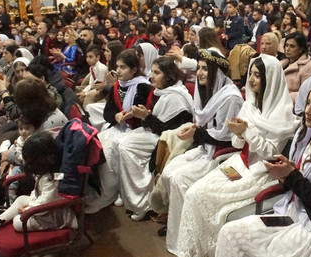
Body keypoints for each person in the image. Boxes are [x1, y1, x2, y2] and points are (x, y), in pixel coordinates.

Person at [215, 81, 311, 257]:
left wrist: (291, 176)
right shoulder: (307, 136)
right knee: (230, 233)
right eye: (308, 103)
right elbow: (296, 182)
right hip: (293, 212)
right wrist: (284, 174)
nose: (307, 111)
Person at [175, 55, 299, 257]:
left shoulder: (282, 114)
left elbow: (271, 154)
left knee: (209, 202)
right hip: (240, 163)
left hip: (261, 172)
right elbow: (237, 145)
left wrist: (247, 131)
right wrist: (239, 133)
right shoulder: (249, 105)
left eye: (257, 75)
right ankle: (194, 251)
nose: (251, 79)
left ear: (271, 79)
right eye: (250, 74)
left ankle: (211, 250)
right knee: (194, 193)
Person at [150, 50, 243, 249]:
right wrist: (195, 130)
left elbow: (227, 137)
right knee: (168, 172)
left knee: (180, 179)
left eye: (205, 69)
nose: (199, 73)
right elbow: (204, 127)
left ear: (216, 72)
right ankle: (176, 222)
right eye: (198, 68)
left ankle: (187, 238)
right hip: (204, 148)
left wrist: (196, 134)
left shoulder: (231, 98)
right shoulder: (207, 91)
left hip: (219, 153)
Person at [105, 57, 194, 220]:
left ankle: (142, 202)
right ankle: (127, 195)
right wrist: (141, 114)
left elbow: (171, 130)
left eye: (157, 73)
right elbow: (155, 118)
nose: (151, 76)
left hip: (168, 139)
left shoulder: (176, 97)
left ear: (168, 76)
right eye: (152, 72)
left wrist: (145, 116)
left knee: (126, 146)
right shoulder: (162, 92)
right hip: (155, 131)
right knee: (117, 141)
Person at [85, 49, 154, 214]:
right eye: (118, 66)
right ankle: (103, 190)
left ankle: (115, 191)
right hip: (120, 127)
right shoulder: (118, 86)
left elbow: (143, 115)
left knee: (112, 149)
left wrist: (129, 116)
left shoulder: (143, 87)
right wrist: (115, 116)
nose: (119, 71)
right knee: (98, 145)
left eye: (123, 67)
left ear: (134, 70)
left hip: (137, 130)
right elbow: (108, 112)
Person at [0, 131, 77, 236]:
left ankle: (9, 214)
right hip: (43, 207)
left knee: (17, 222)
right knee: (21, 199)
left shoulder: (53, 179)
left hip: (54, 214)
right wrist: (30, 202)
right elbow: (38, 194)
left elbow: (44, 203)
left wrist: (27, 209)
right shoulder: (44, 172)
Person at [281, 32, 311, 101]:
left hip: (292, 104)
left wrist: (285, 98)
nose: (287, 49)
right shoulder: (281, 63)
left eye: (292, 46)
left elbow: (306, 93)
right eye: (286, 45)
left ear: (301, 49)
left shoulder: (309, 67)